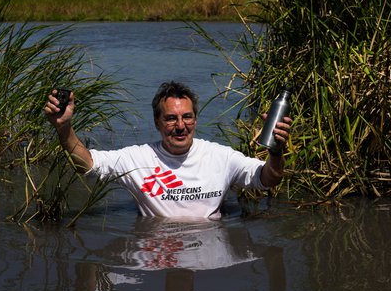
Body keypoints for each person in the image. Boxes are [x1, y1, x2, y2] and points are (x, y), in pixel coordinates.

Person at [44, 81, 290, 219]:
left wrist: (276, 153)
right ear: (157, 123)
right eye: (171, 118)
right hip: (157, 244)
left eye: (187, 117)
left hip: (212, 238)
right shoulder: (138, 158)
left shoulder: (220, 156)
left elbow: (267, 179)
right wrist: (64, 128)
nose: (181, 126)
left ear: (195, 119)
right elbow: (87, 165)